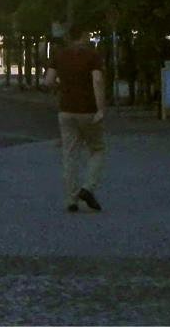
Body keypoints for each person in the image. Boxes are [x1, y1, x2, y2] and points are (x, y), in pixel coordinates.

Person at [45, 25, 107, 212]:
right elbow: (97, 80)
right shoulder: (92, 56)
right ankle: (88, 187)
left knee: (69, 154)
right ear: (83, 35)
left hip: (66, 110)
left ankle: (71, 199)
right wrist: (100, 108)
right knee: (97, 149)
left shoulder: (59, 55)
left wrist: (62, 87)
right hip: (88, 110)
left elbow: (48, 81)